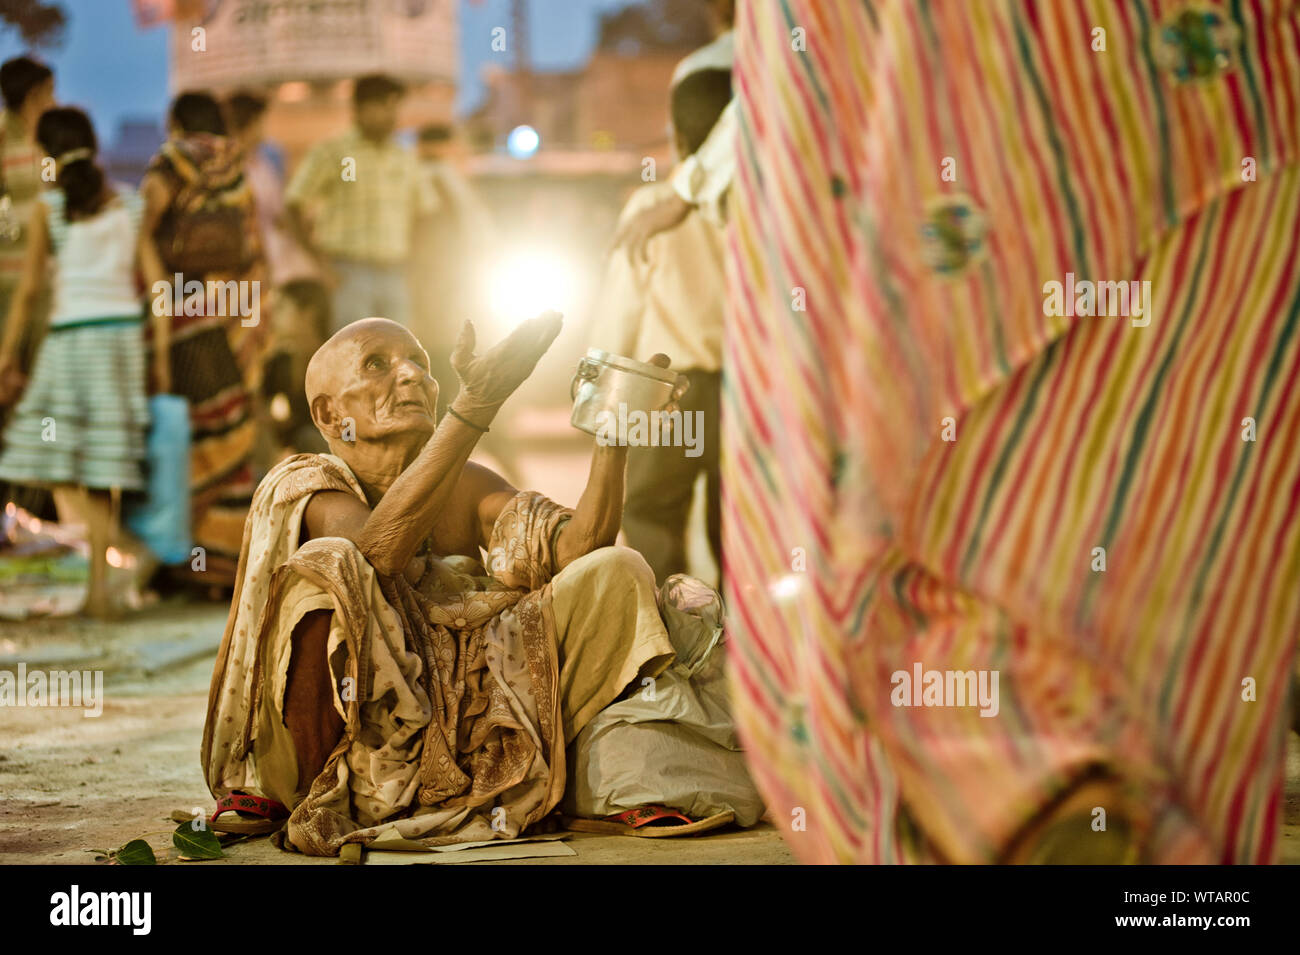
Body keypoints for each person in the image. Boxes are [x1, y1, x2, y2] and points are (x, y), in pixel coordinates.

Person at [722, 0, 1300, 864]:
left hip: (950, 80)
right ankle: (1049, 760)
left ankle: (1018, 749)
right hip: (1204, 99)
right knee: (1164, 463)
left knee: (894, 485)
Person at [200, 313, 701, 854]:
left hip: (471, 745)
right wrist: (476, 409)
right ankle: (302, 793)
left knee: (618, 570)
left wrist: (613, 433)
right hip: (344, 757)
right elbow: (372, 558)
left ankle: (541, 780)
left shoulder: (467, 483)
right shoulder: (303, 482)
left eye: (420, 362)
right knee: (328, 565)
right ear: (328, 412)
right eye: (378, 364)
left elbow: (577, 551)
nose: (412, 374)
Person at [0, 107, 156, 618]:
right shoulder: (131, 204)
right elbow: (155, 282)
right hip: (121, 340)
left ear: (48, 155)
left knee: (41, 457)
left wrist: (5, 355)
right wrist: (157, 350)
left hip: (69, 341)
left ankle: (121, 558)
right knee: (104, 467)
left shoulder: (50, 208)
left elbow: (27, 293)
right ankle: (101, 591)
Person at [590, 66, 730, 586]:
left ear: (678, 135)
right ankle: (747, 631)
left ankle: (675, 631)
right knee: (736, 512)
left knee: (651, 509)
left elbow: (621, 309)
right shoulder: (754, 207)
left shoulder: (652, 206)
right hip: (740, 389)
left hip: (666, 393)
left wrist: (600, 384)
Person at [141, 91, 265, 591]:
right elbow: (254, 250)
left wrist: (157, 302)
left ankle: (180, 564)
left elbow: (144, 229)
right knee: (231, 439)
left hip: (187, 315)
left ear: (175, 120)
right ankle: (220, 568)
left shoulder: (173, 159)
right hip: (231, 314)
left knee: (193, 440)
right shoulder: (238, 167)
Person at [285, 74, 437, 335]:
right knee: (355, 355)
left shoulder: (404, 158)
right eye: (384, 107)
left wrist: (416, 265)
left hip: (395, 273)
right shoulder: (332, 152)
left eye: (394, 107)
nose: (392, 116)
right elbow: (293, 204)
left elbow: (426, 212)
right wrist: (320, 265)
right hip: (347, 273)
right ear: (360, 108)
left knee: (399, 357)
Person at [226, 91, 329, 458]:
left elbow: (281, 217)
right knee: (268, 369)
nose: (261, 132)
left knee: (291, 362)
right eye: (257, 125)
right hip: (260, 284)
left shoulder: (260, 165)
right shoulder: (231, 170)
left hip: (284, 279)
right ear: (245, 125)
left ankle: (294, 438)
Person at [0, 55, 55, 517]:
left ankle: (23, 515)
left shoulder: (43, 150)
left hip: (35, 296)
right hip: (12, 293)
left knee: (28, 405)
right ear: (36, 95)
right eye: (50, 93)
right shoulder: (7, 141)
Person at [408, 123, 492, 408]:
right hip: (440, 270)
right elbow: (436, 224)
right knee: (439, 342)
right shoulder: (433, 176)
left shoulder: (448, 174)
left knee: (445, 339)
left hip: (452, 270)